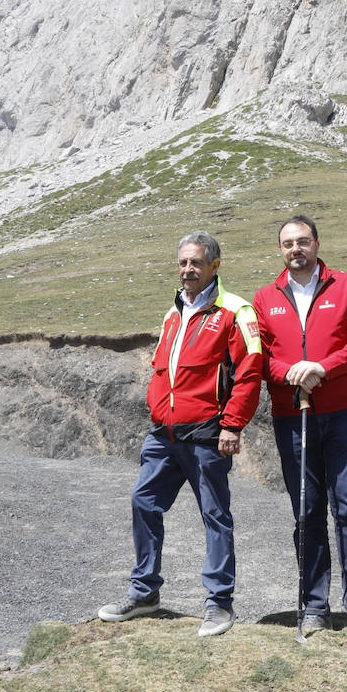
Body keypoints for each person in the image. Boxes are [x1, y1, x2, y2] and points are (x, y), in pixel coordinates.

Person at [98, 231, 262, 636]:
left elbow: (249, 374)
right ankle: (144, 592)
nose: (188, 270)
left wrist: (232, 425)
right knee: (144, 501)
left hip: (207, 435)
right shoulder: (174, 313)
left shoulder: (235, 311)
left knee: (215, 516)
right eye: (183, 263)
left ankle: (220, 604)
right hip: (163, 434)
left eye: (196, 263)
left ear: (215, 266)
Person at [253, 215, 347, 646]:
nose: (296, 249)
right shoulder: (265, 298)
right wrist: (291, 372)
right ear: (280, 250)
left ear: (316, 243)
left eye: (303, 241)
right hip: (294, 415)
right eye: (288, 243)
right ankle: (313, 608)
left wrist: (323, 366)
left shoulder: (346, 286)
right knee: (307, 513)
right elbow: (257, 357)